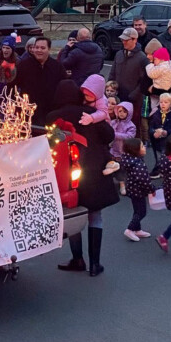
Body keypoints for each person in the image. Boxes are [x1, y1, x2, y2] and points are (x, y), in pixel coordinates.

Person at [48, 80, 118, 276]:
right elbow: (108, 135)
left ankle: (77, 259)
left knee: (74, 216)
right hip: (95, 172)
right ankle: (95, 264)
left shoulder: (53, 117)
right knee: (95, 215)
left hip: (67, 174)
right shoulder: (89, 115)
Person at [14, 37, 65, 125]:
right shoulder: (23, 65)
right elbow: (13, 86)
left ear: (49, 49)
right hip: (28, 112)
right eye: (36, 47)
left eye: (42, 48)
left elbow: (63, 87)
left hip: (50, 111)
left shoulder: (57, 67)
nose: (38, 50)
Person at [109, 27, 149, 136]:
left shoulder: (142, 58)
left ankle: (133, 148)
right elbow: (112, 73)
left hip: (133, 101)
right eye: (122, 40)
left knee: (133, 126)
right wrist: (110, 91)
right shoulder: (119, 54)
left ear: (135, 40)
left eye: (126, 40)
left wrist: (133, 96)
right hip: (118, 97)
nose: (123, 42)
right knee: (117, 124)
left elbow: (145, 81)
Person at [119, 138, 154, 241]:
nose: (145, 148)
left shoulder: (130, 161)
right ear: (136, 150)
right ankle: (130, 229)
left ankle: (137, 229)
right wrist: (151, 189)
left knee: (137, 210)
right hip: (139, 190)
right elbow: (143, 179)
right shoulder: (137, 163)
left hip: (132, 188)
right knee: (141, 211)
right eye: (142, 146)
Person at [148, 92, 171, 171]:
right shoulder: (156, 114)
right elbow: (151, 127)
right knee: (158, 156)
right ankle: (159, 169)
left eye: (166, 102)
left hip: (169, 142)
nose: (163, 104)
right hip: (157, 141)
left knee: (166, 158)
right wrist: (153, 133)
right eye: (161, 102)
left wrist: (166, 132)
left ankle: (166, 171)